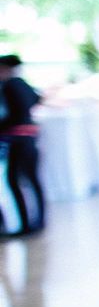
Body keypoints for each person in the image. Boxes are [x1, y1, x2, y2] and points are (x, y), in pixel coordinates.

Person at [1, 54, 46, 236]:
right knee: (31, 179)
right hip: (28, 137)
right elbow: (36, 100)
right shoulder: (23, 84)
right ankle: (36, 221)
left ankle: (25, 224)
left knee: (15, 180)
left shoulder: (11, 85)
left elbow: (10, 115)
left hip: (17, 138)